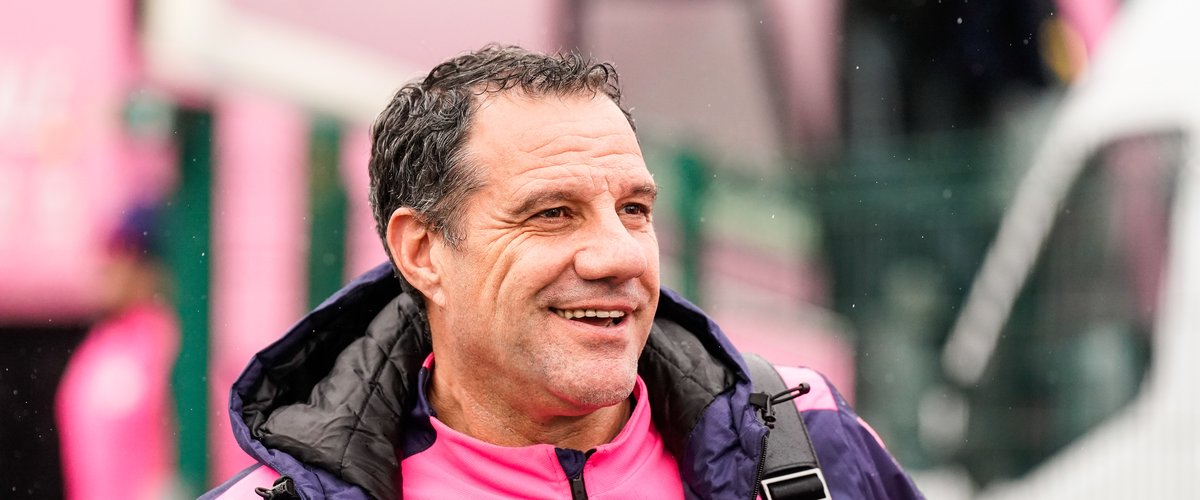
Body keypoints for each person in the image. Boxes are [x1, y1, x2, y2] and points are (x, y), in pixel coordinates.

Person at [204, 45, 923, 499]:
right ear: (423, 252)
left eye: (634, 210)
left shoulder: (804, 440)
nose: (619, 256)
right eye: (552, 213)